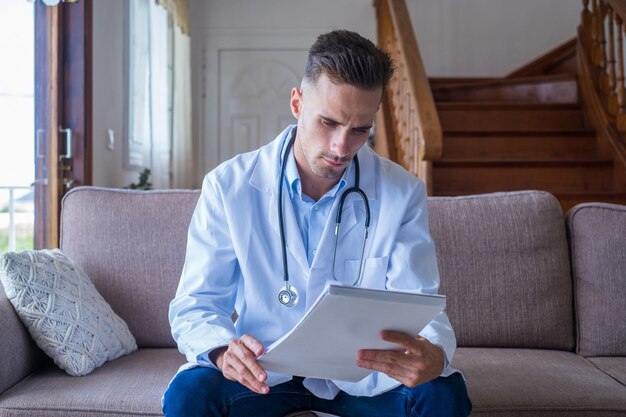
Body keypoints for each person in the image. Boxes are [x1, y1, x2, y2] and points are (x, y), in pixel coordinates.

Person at [163, 29, 472, 417]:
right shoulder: (228, 186)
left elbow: (421, 304)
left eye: (360, 130)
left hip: (362, 379)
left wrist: (434, 354)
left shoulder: (402, 193)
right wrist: (223, 350)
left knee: (443, 394)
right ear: (297, 102)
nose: (342, 147)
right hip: (265, 374)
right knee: (189, 395)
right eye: (328, 122)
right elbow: (197, 303)